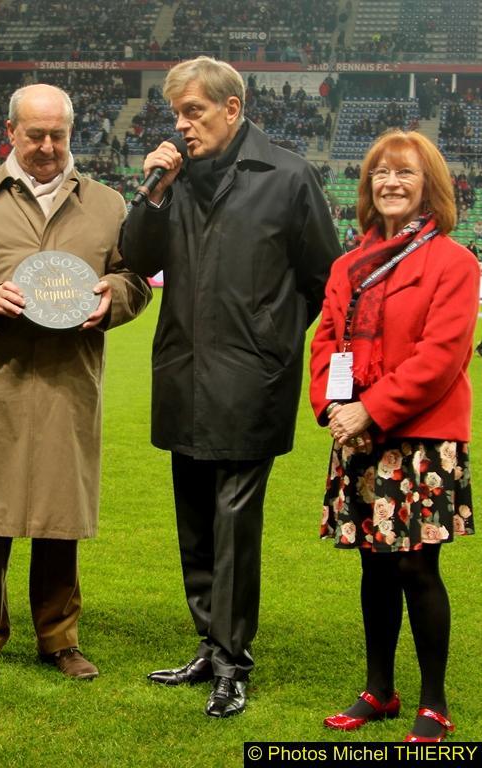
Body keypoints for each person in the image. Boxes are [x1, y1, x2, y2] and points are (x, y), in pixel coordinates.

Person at [121, 56, 340, 717]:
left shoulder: (288, 176)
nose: (182, 125)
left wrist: (271, 342)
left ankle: (232, 662)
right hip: (183, 375)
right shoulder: (174, 180)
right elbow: (137, 257)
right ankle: (207, 645)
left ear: (231, 109)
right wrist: (153, 192)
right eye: (176, 114)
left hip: (252, 382)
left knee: (233, 525)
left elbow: (324, 282)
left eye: (193, 111)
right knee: (194, 524)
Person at [0, 83, 151, 683]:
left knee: (60, 513)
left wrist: (114, 301)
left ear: (71, 134)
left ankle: (59, 636)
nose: (48, 147)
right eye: (35, 135)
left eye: (58, 135)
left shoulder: (106, 205)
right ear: (11, 133)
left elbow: (135, 281)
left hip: (70, 379)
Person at [310, 130, 478, 742]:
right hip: (358, 435)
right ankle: (378, 690)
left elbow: (441, 357)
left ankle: (433, 702)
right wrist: (334, 407)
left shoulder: (455, 263)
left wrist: (371, 410)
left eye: (404, 173)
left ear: (430, 185)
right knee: (375, 569)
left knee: (416, 569)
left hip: (421, 437)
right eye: (379, 172)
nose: (390, 182)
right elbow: (327, 340)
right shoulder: (348, 264)